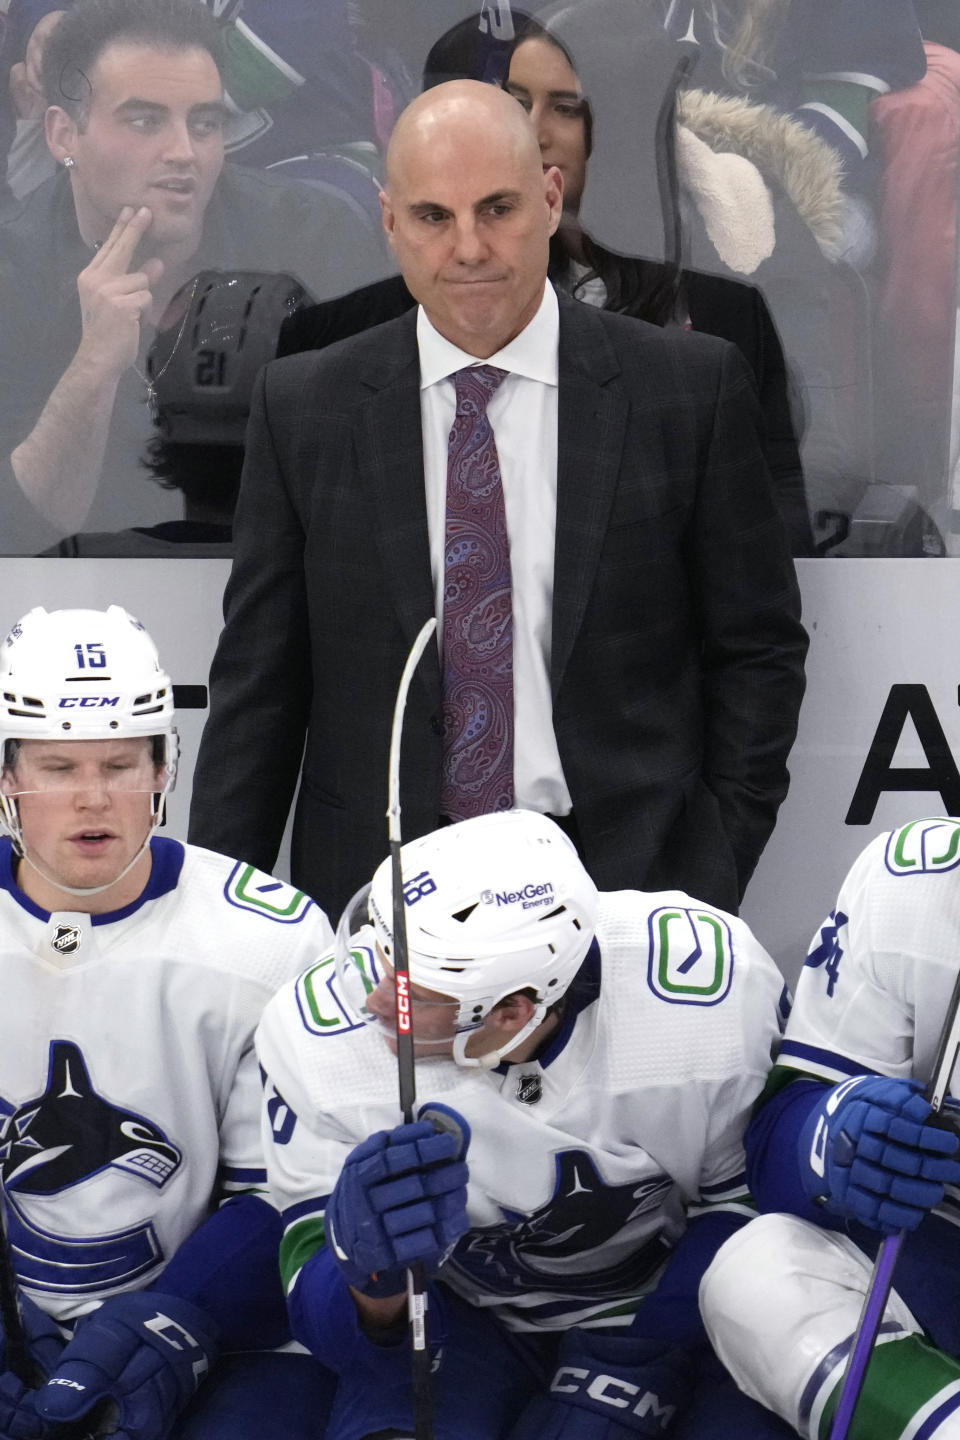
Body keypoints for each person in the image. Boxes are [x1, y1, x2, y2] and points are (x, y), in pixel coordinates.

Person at [188, 78, 808, 923]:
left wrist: (708, 864)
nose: (469, 247)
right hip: (382, 901)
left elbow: (757, 652)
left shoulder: (687, 392)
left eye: (498, 208)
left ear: (552, 199)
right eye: (435, 216)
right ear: (391, 222)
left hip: (627, 893)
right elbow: (260, 689)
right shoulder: (306, 409)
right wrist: (224, 922)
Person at [255, 807, 797, 1439]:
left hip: (673, 1299)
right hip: (459, 1315)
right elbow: (331, 1327)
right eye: (376, 956)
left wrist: (644, 1355)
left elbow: (754, 1212)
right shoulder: (315, 1035)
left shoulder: (707, 989)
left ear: (512, 1011)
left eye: (410, 994)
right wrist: (369, 1280)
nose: (370, 1000)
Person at [0, 604, 337, 1440]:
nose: (92, 797)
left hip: (222, 1327)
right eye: (57, 766)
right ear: (7, 776)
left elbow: (284, 1191)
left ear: (164, 767)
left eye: (120, 764)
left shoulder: (271, 933)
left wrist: (169, 1322)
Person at [0, 0, 391, 555]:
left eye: (204, 124)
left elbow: (374, 481)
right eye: (144, 121)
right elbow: (21, 530)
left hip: (269, 585)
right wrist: (93, 367)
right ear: (63, 135)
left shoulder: (310, 243)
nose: (183, 152)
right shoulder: (10, 270)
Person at [698, 815, 960, 1438]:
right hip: (947, 1243)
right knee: (755, 1276)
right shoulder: (918, 878)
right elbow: (778, 1147)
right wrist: (839, 1134)